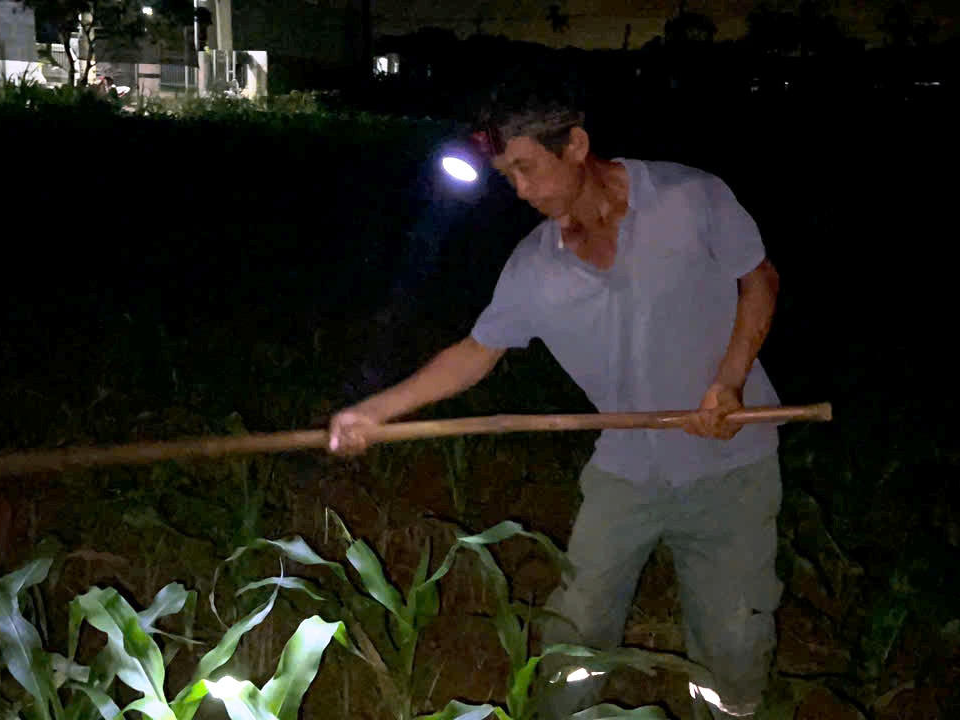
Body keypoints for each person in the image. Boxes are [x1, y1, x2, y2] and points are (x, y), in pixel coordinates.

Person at [327, 87, 786, 719]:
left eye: (525, 167)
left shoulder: (688, 198)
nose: (517, 189)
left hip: (733, 466)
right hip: (627, 470)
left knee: (732, 643)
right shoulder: (535, 269)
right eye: (505, 175)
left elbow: (757, 279)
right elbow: (475, 352)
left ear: (575, 145)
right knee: (574, 630)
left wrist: (729, 381)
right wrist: (375, 413)